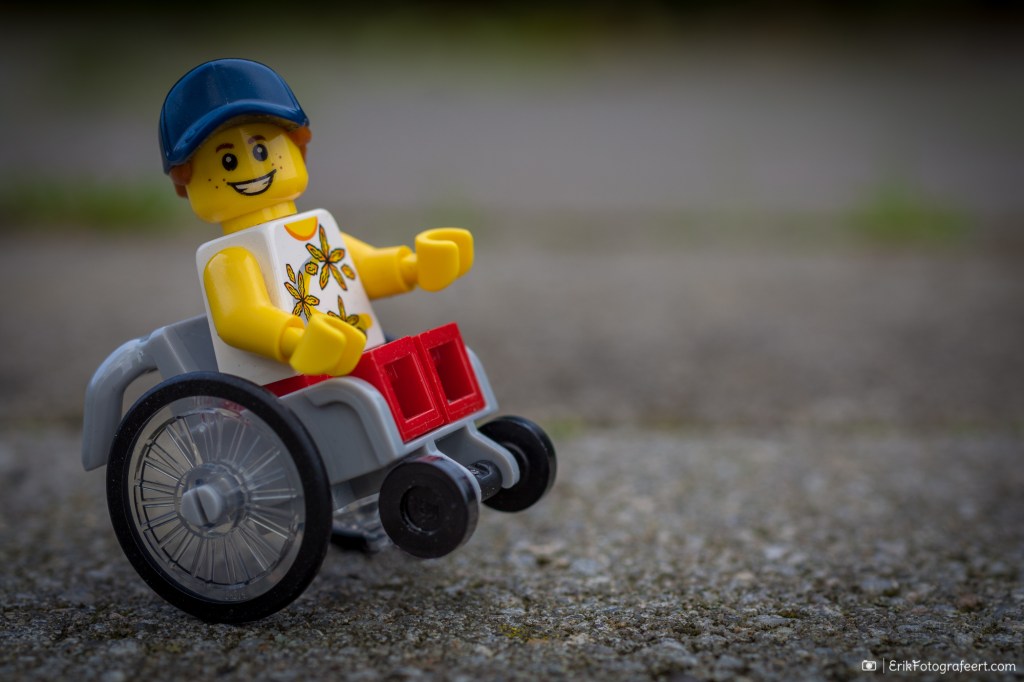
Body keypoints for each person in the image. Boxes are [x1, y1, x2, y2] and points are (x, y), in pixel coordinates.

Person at [159, 58, 474, 391]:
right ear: (184, 182)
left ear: (300, 151)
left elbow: (359, 268)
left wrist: (414, 267)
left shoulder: (315, 230)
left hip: (354, 361)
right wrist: (296, 341)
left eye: (263, 151)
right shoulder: (229, 259)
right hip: (287, 384)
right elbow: (239, 318)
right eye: (228, 161)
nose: (251, 167)